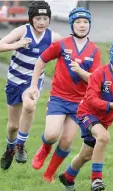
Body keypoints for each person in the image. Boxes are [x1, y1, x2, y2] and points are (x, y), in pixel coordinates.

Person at [27, 7, 102, 183]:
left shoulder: (94, 50)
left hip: (80, 103)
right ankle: (45, 148)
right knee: (52, 134)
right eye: (78, 22)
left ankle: (49, 174)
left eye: (85, 22)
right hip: (59, 98)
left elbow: (94, 79)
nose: (82, 25)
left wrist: (81, 71)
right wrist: (33, 85)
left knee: (67, 141)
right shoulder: (62, 44)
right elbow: (41, 60)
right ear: (72, 24)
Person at [58, 37, 113, 191]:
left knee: (86, 155)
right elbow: (90, 99)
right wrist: (111, 105)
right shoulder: (99, 73)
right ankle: (96, 180)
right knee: (103, 137)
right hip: (86, 113)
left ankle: (67, 177)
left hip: (104, 120)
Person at [0, 1, 63, 170]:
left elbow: (69, 50)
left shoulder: (53, 37)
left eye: (45, 18)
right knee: (13, 126)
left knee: (30, 106)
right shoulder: (22, 31)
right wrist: (16, 44)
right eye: (38, 18)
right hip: (14, 81)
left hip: (33, 82)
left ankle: (20, 146)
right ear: (31, 19)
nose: (41, 22)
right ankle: (10, 147)